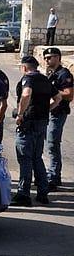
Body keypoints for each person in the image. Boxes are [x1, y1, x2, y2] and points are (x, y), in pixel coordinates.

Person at [11, 56, 61, 207]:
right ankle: (42, 192)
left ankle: (23, 194)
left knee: (25, 157)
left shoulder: (28, 79)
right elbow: (58, 97)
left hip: (29, 123)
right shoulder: (45, 80)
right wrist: (47, 109)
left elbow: (26, 94)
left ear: (25, 68)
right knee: (37, 157)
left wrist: (20, 114)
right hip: (41, 122)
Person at [43, 47, 74, 191]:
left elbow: (69, 95)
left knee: (53, 144)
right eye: (45, 57)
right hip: (50, 112)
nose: (47, 60)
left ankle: (54, 177)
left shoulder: (63, 74)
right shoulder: (51, 74)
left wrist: (54, 92)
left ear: (58, 58)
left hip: (58, 112)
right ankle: (53, 175)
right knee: (49, 144)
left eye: (50, 57)